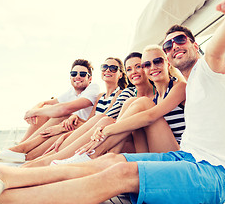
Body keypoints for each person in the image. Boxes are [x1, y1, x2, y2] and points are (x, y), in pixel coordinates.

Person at [0, 0, 225, 204]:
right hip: (184, 157)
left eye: (180, 40)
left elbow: (216, 50)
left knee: (118, 174)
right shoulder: (188, 84)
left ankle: (2, 200)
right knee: (111, 162)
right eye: (168, 45)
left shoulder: (211, 69)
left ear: (194, 44)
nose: (173, 47)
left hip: (214, 174)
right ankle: (4, 175)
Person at [25, 49, 185, 167]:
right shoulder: (152, 97)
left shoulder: (178, 87)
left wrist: (106, 130)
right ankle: (83, 158)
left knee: (122, 113)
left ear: (167, 63)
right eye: (147, 64)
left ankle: (89, 158)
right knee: (121, 111)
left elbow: (149, 117)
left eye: (157, 62)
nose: (152, 67)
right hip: (148, 149)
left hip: (176, 155)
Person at [0, 57, 127, 163]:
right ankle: (19, 152)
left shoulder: (117, 93)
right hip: (81, 128)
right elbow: (89, 120)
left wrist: (65, 125)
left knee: (60, 119)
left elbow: (103, 121)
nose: (108, 70)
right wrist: (38, 109)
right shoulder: (100, 96)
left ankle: (20, 154)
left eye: (113, 68)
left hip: (95, 134)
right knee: (55, 116)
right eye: (105, 67)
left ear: (120, 74)